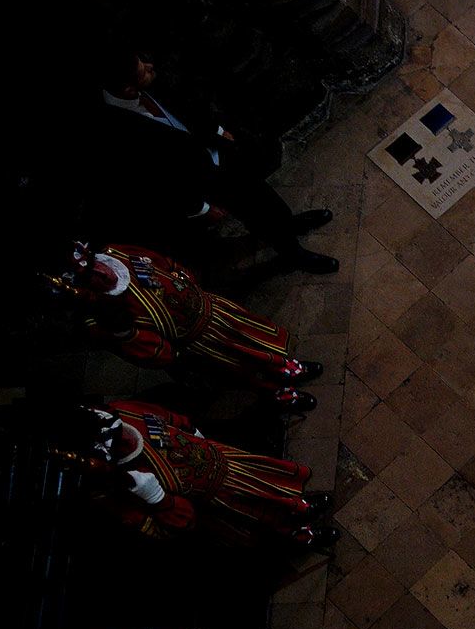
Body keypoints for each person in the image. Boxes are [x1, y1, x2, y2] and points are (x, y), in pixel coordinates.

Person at [92, 47, 338, 274]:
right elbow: (154, 180)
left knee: (262, 193)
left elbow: (186, 102)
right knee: (253, 212)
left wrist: (218, 132)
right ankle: (292, 253)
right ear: (127, 89)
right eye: (142, 70)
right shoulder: (117, 130)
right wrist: (200, 208)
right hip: (201, 180)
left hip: (217, 151)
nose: (149, 66)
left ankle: (289, 222)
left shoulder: (149, 82)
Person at [47, 239, 321, 408]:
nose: (100, 271)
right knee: (241, 370)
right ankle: (277, 393)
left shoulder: (115, 254)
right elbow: (148, 352)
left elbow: (159, 261)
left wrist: (183, 276)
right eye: (88, 275)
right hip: (199, 344)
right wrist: (127, 332)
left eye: (94, 263)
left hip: (211, 308)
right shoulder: (102, 318)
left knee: (251, 334)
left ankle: (284, 365)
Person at [68, 400, 336, 549]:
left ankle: (299, 504)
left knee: (269, 483)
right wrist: (158, 499)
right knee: (264, 520)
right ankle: (301, 535)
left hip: (223, 459)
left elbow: (162, 415)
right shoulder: (115, 489)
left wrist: (190, 430)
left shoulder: (119, 411)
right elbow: (168, 529)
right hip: (218, 503)